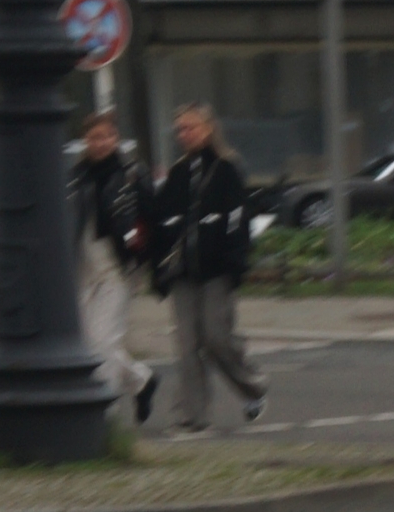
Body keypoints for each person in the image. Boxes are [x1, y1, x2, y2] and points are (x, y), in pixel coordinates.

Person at [151, 103, 266, 434]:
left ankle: (253, 385)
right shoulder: (177, 174)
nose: (185, 135)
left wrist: (236, 263)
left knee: (216, 337)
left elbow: (238, 220)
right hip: (183, 271)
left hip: (217, 269)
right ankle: (192, 415)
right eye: (180, 130)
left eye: (191, 128)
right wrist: (159, 266)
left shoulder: (227, 170)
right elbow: (162, 221)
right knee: (187, 344)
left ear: (208, 129)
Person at [71, 110, 158, 426]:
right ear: (85, 140)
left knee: (103, 339)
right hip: (83, 266)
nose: (101, 143)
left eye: (107, 136)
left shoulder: (131, 173)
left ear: (116, 138)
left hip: (118, 266)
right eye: (95, 137)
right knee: (83, 341)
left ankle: (103, 416)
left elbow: (150, 215)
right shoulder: (76, 175)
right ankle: (140, 380)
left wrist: (143, 251)